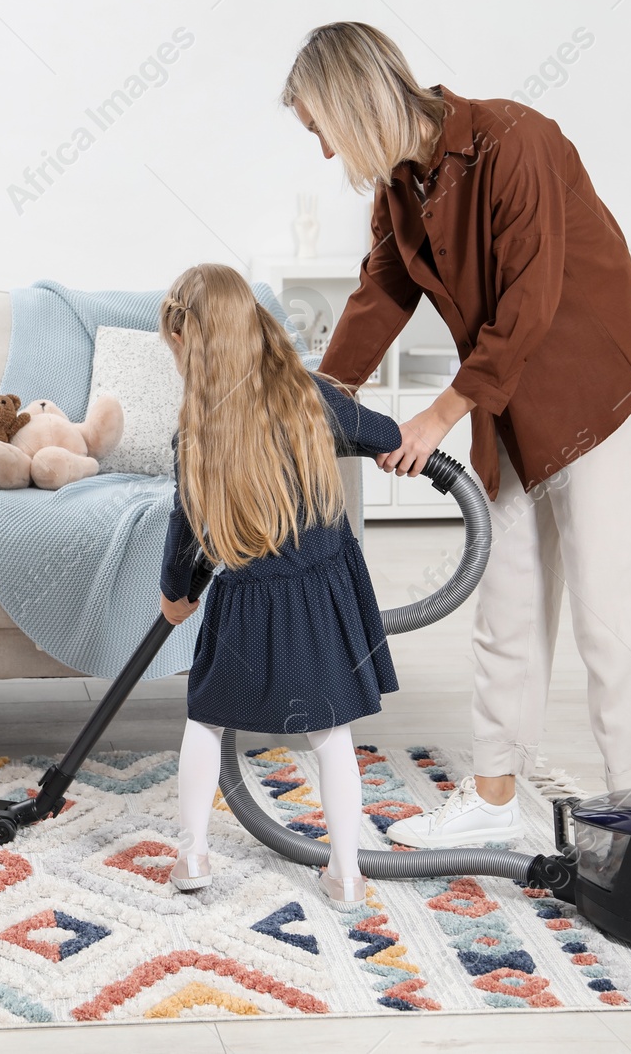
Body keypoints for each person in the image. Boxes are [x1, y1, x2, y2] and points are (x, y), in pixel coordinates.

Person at [283, 22, 631, 847]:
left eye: (319, 128)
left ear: (352, 103)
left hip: (593, 395)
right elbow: (381, 289)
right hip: (506, 400)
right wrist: (321, 399)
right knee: (507, 607)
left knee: (613, 619)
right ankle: (496, 799)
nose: (321, 151)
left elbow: (528, 298)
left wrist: (439, 413)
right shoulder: (401, 187)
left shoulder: (514, 140)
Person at [158, 263, 402, 909]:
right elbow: (387, 435)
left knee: (205, 722)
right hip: (321, 601)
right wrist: (391, 448)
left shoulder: (197, 432)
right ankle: (346, 871)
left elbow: (184, 530)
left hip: (243, 605)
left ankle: (193, 854)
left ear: (194, 347)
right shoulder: (313, 399)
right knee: (332, 738)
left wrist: (174, 594)